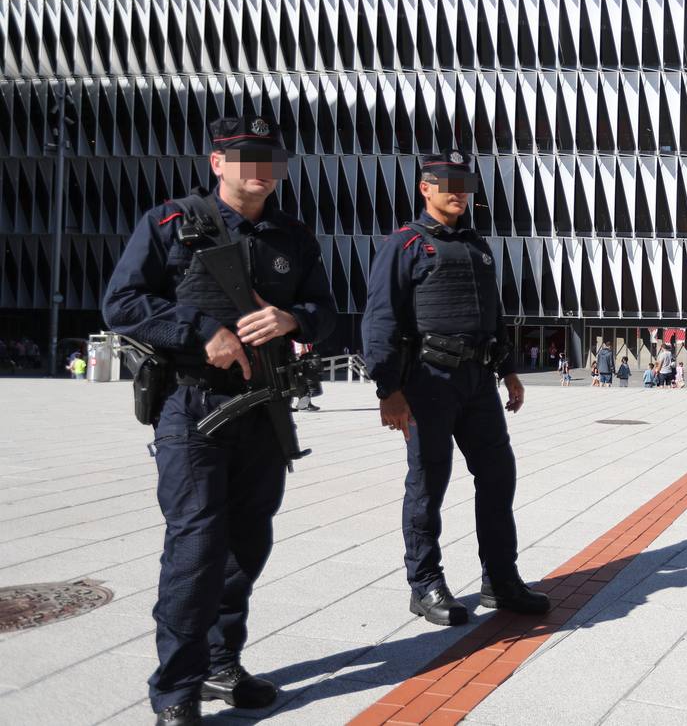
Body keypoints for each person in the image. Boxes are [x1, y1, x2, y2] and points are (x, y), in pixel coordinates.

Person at [102, 115, 337, 726]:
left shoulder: (294, 235)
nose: (259, 169)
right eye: (244, 156)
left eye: (271, 157)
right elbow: (121, 303)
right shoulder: (171, 223)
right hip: (192, 405)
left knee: (248, 542)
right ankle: (175, 686)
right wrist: (199, 330)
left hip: (264, 409)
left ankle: (221, 661)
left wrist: (293, 321)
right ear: (217, 164)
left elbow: (326, 310)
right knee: (197, 546)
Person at [361, 151, 548, 631]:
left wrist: (508, 371)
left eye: (464, 184)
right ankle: (425, 585)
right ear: (425, 188)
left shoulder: (476, 246)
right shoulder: (404, 245)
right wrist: (389, 391)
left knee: (498, 479)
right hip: (428, 384)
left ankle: (500, 580)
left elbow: (493, 315)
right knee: (427, 486)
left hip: (478, 384)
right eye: (447, 183)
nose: (458, 191)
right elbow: (380, 321)